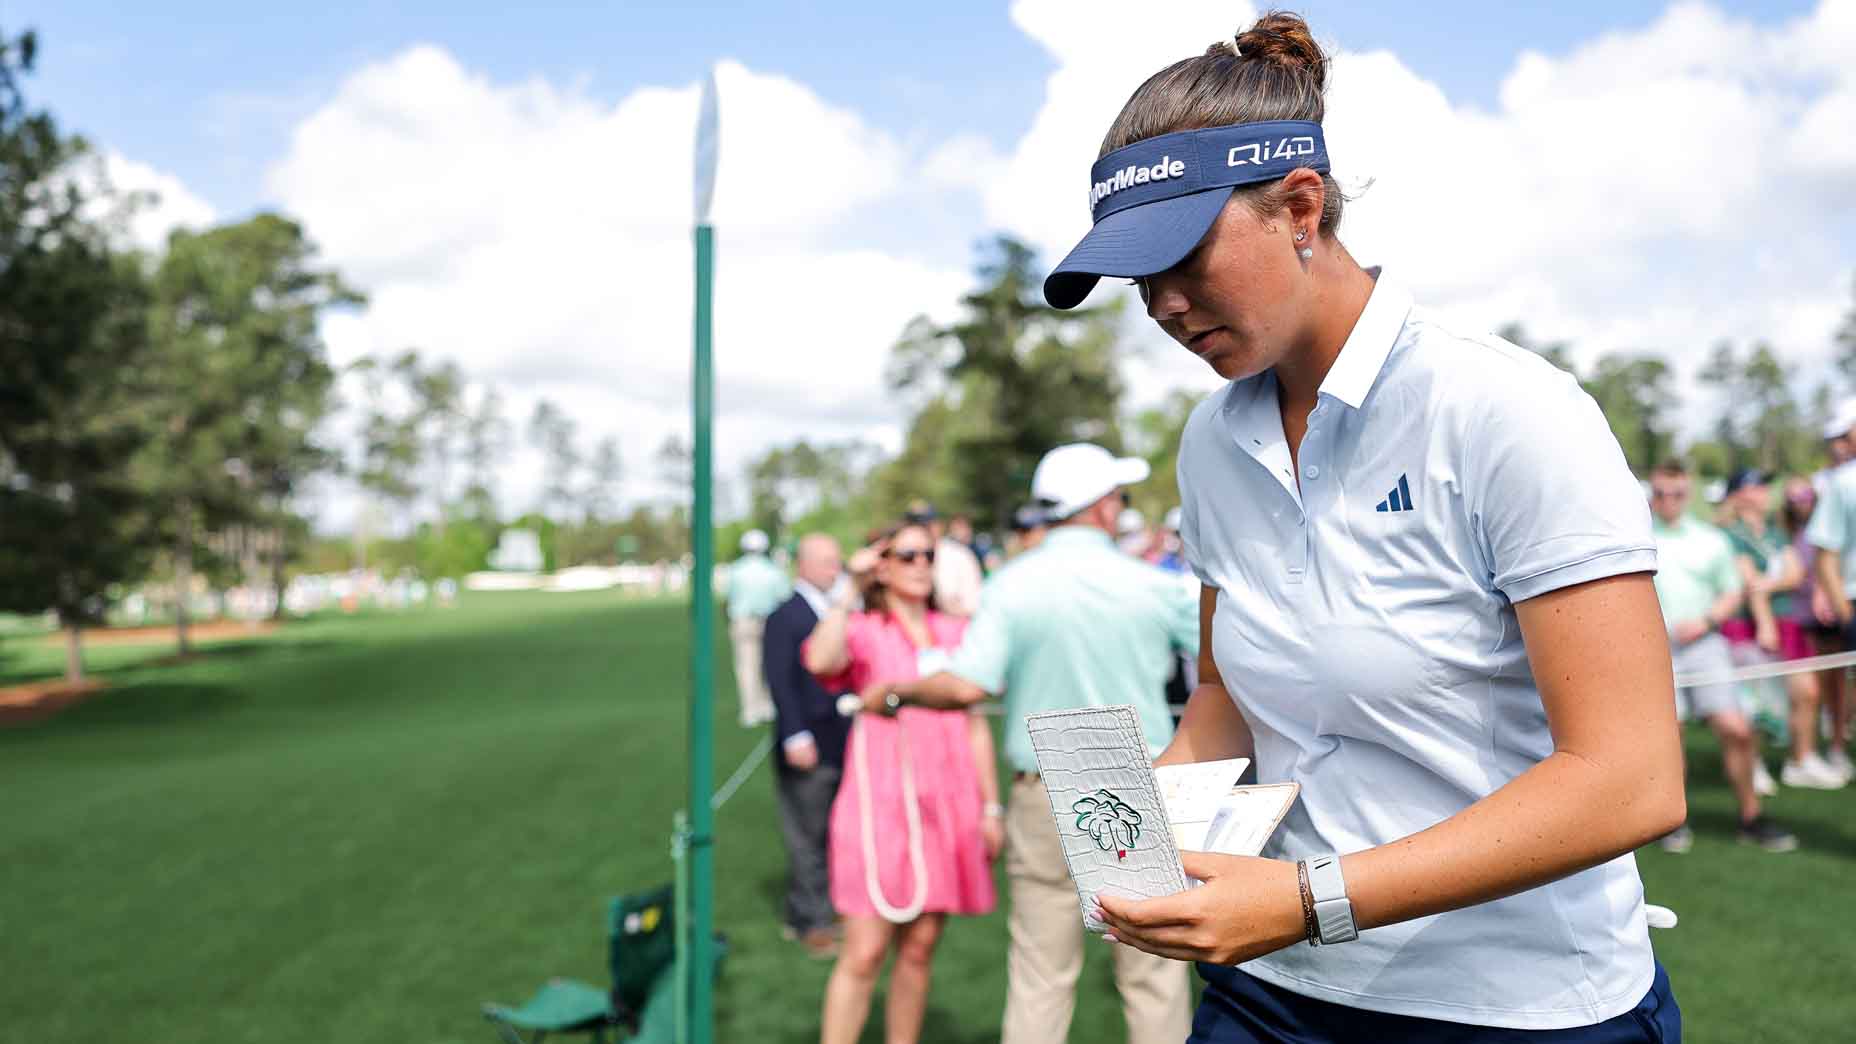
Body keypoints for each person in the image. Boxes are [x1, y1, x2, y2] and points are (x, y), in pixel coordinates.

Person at [1035, 15, 1687, 1040]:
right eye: (1137, 280)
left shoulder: (1504, 411)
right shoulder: (1211, 443)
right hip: (1274, 989)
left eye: (1180, 258)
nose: (1161, 305)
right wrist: (1138, 826)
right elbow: (1223, 695)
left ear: (1300, 207)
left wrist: (1308, 899)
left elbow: (1630, 777)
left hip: (1511, 1005)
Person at [861, 443, 1199, 1044]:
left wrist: (895, 693)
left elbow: (967, 684)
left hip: (1043, 788)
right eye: (1117, 497)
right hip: (1137, 784)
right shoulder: (1150, 584)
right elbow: (1223, 663)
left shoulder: (1012, 585)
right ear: (1100, 507)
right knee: (1153, 977)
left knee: (1041, 975)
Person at [802, 520, 998, 1044]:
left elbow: (975, 722)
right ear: (882, 565)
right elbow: (820, 659)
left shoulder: (955, 631)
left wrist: (990, 807)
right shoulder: (865, 628)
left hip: (948, 798)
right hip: (880, 802)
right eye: (906, 555)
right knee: (864, 951)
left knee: (918, 948)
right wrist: (850, 584)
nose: (920, 564)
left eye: (927, 554)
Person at [1646, 461, 1797, 850]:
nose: (1668, 500)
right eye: (1660, 493)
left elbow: (1732, 591)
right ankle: (1672, 821)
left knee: (1736, 729)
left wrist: (1707, 620)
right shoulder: (1637, 536)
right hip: (1652, 650)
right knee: (1670, 734)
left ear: (1688, 494)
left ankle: (1751, 817)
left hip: (1704, 644)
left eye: (1677, 493)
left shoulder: (1710, 539)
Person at [1720, 470, 1844, 789]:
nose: (1765, 491)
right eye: (1756, 486)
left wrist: (1769, 584)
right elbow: (1749, 582)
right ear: (1738, 495)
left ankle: (1801, 760)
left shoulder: (1775, 532)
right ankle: (1752, 764)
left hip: (1785, 621)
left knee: (1807, 691)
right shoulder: (1730, 534)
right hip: (1749, 625)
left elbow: (1795, 573)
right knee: (1756, 700)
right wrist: (1764, 618)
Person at [763, 534, 856, 957]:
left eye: (837, 561)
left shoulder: (837, 610)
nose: (834, 570)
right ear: (802, 565)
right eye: (826, 562)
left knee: (835, 831)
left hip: (841, 739)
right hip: (808, 742)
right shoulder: (785, 615)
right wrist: (794, 734)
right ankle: (809, 920)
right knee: (807, 834)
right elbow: (780, 681)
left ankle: (828, 907)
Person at [1807, 407, 1856, 779]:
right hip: (1851, 599)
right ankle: (1836, 745)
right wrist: (1846, 614)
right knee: (1837, 680)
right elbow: (1824, 554)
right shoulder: (1841, 482)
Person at [726, 529, 789, 727]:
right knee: (769, 664)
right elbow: (784, 597)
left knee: (747, 667)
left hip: (743, 621)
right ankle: (768, 706)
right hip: (770, 621)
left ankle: (751, 710)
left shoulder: (736, 570)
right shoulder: (773, 570)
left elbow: (729, 598)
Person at [906, 501, 985, 618]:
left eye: (925, 525)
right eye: (914, 526)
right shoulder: (901, 558)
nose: (920, 531)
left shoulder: (959, 556)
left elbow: (975, 606)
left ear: (938, 526)